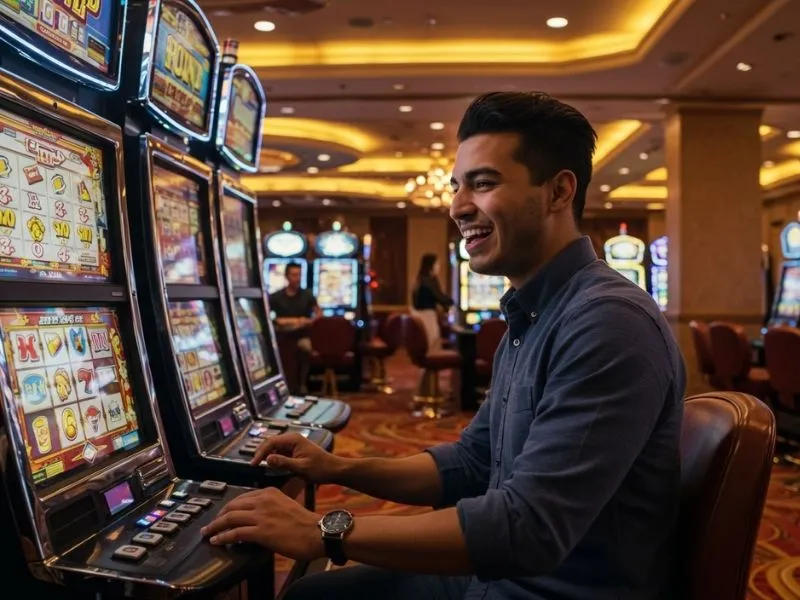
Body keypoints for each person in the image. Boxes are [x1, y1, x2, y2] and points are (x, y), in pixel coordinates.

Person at [202, 92, 686, 600]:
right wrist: (335, 469)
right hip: (500, 575)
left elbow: (529, 528)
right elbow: (474, 463)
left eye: (484, 183)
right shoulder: (535, 312)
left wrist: (324, 530)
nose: (457, 206)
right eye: (457, 186)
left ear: (559, 192)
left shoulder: (606, 322)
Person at [268, 261, 321, 393]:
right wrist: (295, 320)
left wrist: (308, 321)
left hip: (303, 335)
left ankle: (301, 384)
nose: (297, 278)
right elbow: (268, 317)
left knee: (305, 347)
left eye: (299, 275)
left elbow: (319, 314)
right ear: (286, 276)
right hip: (282, 336)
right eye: (294, 275)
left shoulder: (307, 295)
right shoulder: (276, 297)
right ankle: (283, 385)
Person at [411, 253, 454, 350]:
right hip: (427, 316)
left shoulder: (419, 278)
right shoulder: (429, 280)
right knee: (431, 346)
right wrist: (455, 303)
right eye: (437, 264)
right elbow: (440, 298)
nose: (439, 266)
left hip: (418, 316)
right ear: (431, 265)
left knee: (422, 346)